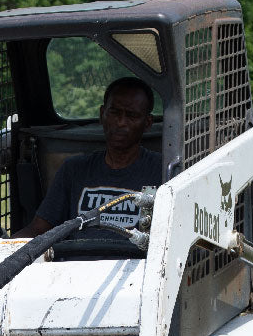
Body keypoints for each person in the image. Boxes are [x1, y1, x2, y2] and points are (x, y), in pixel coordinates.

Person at [15, 77, 161, 238]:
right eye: (114, 113)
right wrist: (2, 251)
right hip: (76, 261)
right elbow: (38, 228)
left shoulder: (161, 171)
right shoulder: (74, 169)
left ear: (147, 123)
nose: (120, 123)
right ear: (102, 114)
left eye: (131, 116)